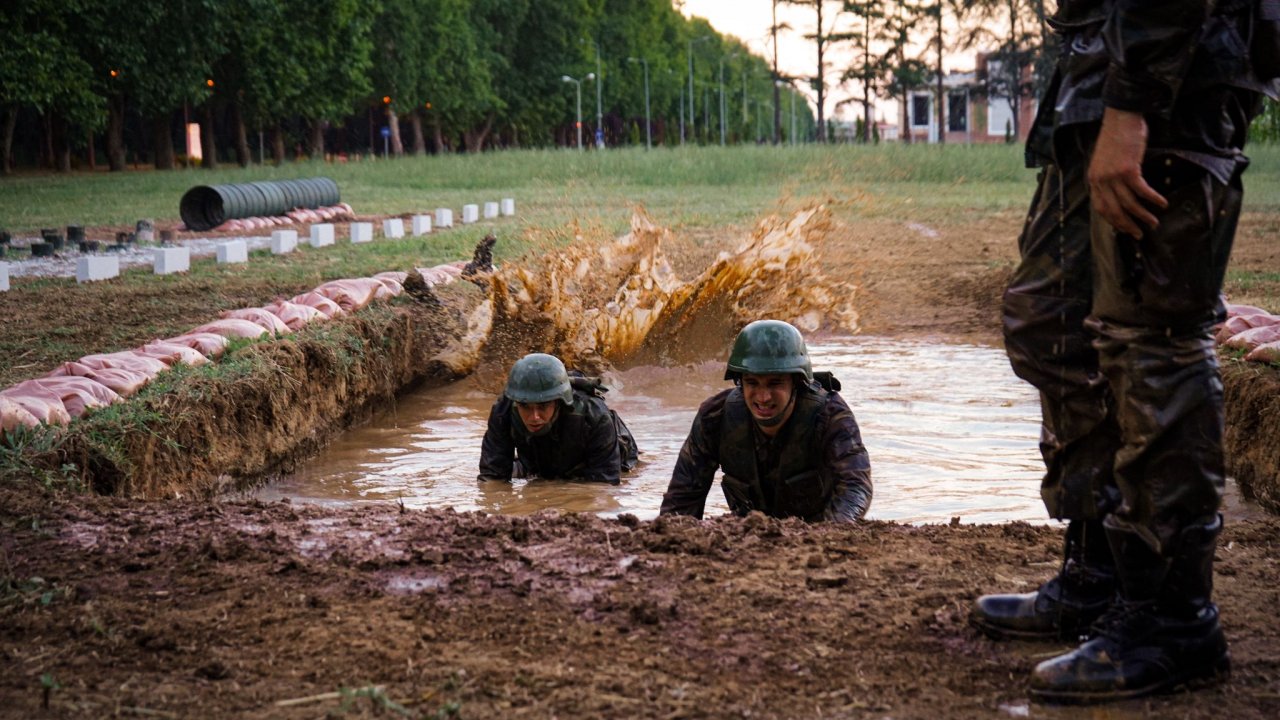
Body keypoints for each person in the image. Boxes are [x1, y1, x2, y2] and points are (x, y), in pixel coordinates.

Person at [970, 0, 1278, 705]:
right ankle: (1100, 576)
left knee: (1153, 341)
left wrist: (1133, 103)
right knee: (1049, 320)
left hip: (1174, 65)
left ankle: (1170, 618)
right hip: (1100, 60)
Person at [659, 319, 872, 522]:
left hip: (813, 538)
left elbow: (855, 487)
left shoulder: (830, 416)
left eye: (774, 383)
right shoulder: (715, 417)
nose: (763, 397)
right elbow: (682, 499)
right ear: (740, 381)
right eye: (752, 383)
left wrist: (830, 536)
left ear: (796, 383)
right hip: (748, 539)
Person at [478, 353, 638, 485]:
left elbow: (604, 487)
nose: (534, 417)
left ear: (559, 402)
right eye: (525, 406)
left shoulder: (594, 416)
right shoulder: (503, 410)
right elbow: (492, 478)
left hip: (603, 459)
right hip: (539, 461)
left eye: (543, 406)